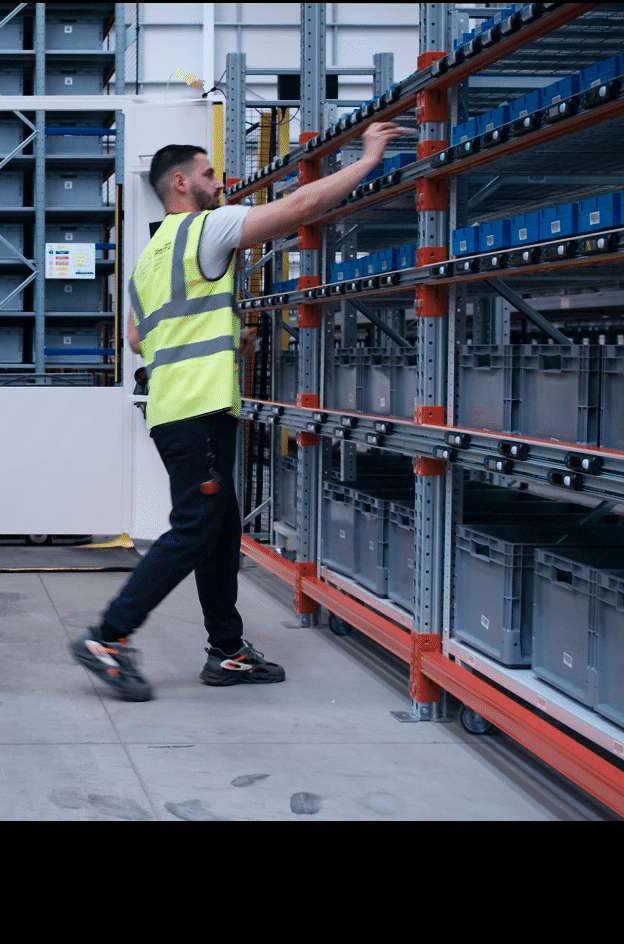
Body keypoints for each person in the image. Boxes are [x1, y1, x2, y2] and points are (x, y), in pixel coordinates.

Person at [71, 120, 410, 701]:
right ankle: (108, 636)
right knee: (194, 529)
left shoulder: (150, 258)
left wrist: (232, 339)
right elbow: (302, 205)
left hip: (179, 408)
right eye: (208, 174)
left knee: (221, 531)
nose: (218, 181)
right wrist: (370, 157)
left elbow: (137, 338)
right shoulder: (205, 227)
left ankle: (226, 651)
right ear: (180, 183)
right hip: (196, 410)